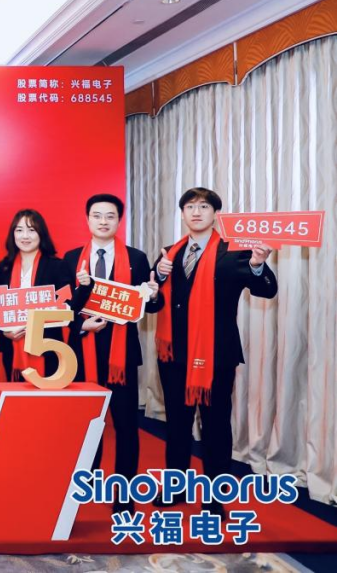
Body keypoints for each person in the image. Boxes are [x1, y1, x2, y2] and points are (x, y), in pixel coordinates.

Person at [152, 187, 277, 519]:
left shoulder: (235, 251)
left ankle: (214, 497)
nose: (196, 212)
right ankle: (175, 487)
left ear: (215, 214)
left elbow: (267, 290)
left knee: (216, 426)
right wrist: (156, 278)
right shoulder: (169, 253)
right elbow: (153, 303)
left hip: (216, 356)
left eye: (204, 206)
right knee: (177, 424)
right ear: (182, 213)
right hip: (173, 357)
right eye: (190, 207)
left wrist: (257, 265)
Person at [61, 194, 161, 513]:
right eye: (97, 215)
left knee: (126, 426)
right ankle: (87, 483)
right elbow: (62, 307)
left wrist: (154, 295)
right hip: (82, 354)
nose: (103, 221)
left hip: (122, 357)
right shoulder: (71, 259)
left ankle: (124, 494)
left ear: (119, 220)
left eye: (110, 216)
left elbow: (149, 306)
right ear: (87, 219)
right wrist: (81, 318)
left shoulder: (136, 258)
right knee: (86, 424)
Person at [0, 209, 64, 382]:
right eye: (19, 230)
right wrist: (4, 330)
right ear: (13, 234)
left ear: (41, 234)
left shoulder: (56, 265)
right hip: (12, 345)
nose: (25, 236)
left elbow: (66, 301)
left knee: (46, 395)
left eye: (31, 230)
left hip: (47, 345)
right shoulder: (4, 267)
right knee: (17, 393)